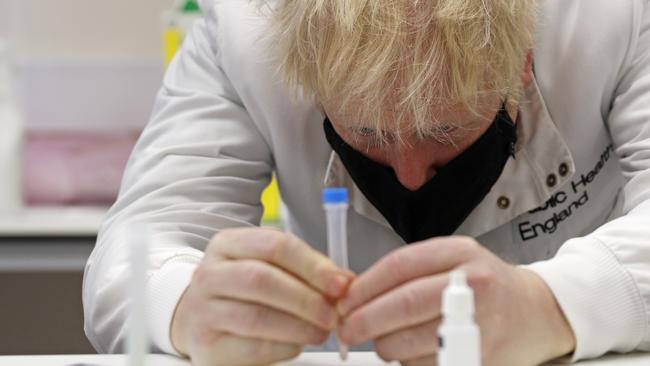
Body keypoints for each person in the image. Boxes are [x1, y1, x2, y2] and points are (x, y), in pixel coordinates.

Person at [83, 0, 650, 365]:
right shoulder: (245, 28)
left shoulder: (610, 17)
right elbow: (133, 251)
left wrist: (551, 304)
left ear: (522, 61)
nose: (405, 176)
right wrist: (186, 303)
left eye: (444, 130)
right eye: (367, 135)